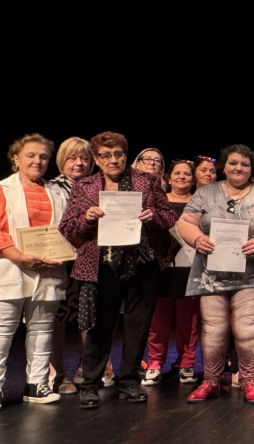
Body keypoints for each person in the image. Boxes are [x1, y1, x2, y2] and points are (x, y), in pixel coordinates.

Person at [59, 131, 178, 409]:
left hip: (142, 264)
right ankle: (90, 384)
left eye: (119, 154)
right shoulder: (85, 186)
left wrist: (154, 217)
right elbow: (68, 227)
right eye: (106, 155)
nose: (113, 160)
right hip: (103, 266)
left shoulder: (145, 181)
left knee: (137, 326)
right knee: (101, 326)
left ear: (125, 155)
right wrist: (87, 218)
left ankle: (129, 381)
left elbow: (169, 216)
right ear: (96, 160)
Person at [178, 144, 254, 404]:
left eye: (245, 164)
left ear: (252, 169)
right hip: (211, 272)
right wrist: (197, 239)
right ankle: (211, 382)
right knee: (214, 329)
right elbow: (185, 221)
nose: (238, 168)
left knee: (247, 328)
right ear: (224, 166)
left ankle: (249, 380)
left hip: (252, 273)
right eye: (233, 163)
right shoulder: (206, 193)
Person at [0, 133, 68, 413]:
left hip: (47, 269)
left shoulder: (56, 191)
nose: (37, 161)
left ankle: (37, 384)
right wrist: (19, 257)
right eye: (31, 155)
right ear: (16, 158)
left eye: (43, 156)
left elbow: (64, 231)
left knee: (42, 328)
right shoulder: (1, 188)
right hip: (9, 267)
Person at [142, 160, 200, 386]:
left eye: (187, 174)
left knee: (189, 321)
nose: (182, 177)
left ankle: (187, 363)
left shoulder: (199, 203)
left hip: (191, 267)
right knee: (159, 320)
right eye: (178, 173)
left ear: (193, 179)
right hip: (162, 267)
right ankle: (155, 363)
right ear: (169, 177)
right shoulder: (159, 201)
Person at [46, 136, 94, 395]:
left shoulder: (97, 186)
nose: (79, 163)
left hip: (89, 262)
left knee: (88, 319)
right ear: (62, 160)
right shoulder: (50, 188)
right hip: (60, 263)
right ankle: (58, 373)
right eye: (73, 158)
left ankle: (87, 371)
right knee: (59, 320)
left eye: (84, 158)